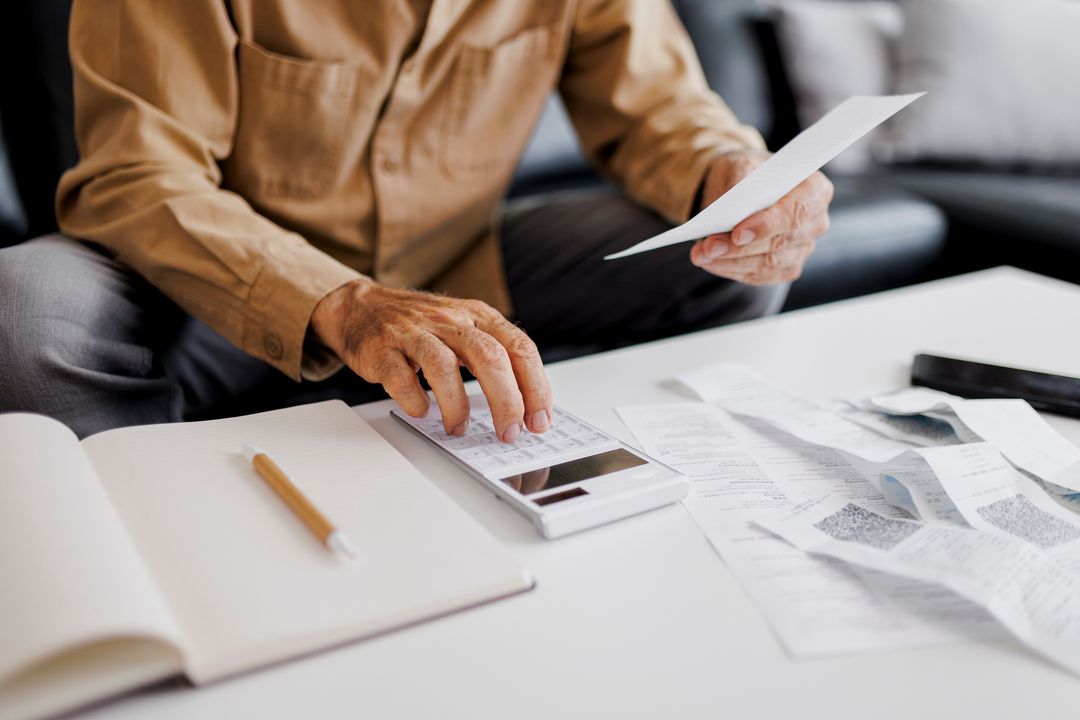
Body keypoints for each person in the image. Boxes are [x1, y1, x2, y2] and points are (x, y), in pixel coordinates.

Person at [0, 0, 832, 440]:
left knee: (717, 256)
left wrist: (733, 176)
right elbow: (138, 174)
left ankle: (545, 457)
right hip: (204, 298)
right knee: (24, 314)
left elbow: (661, 105)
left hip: (459, 270)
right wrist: (342, 303)